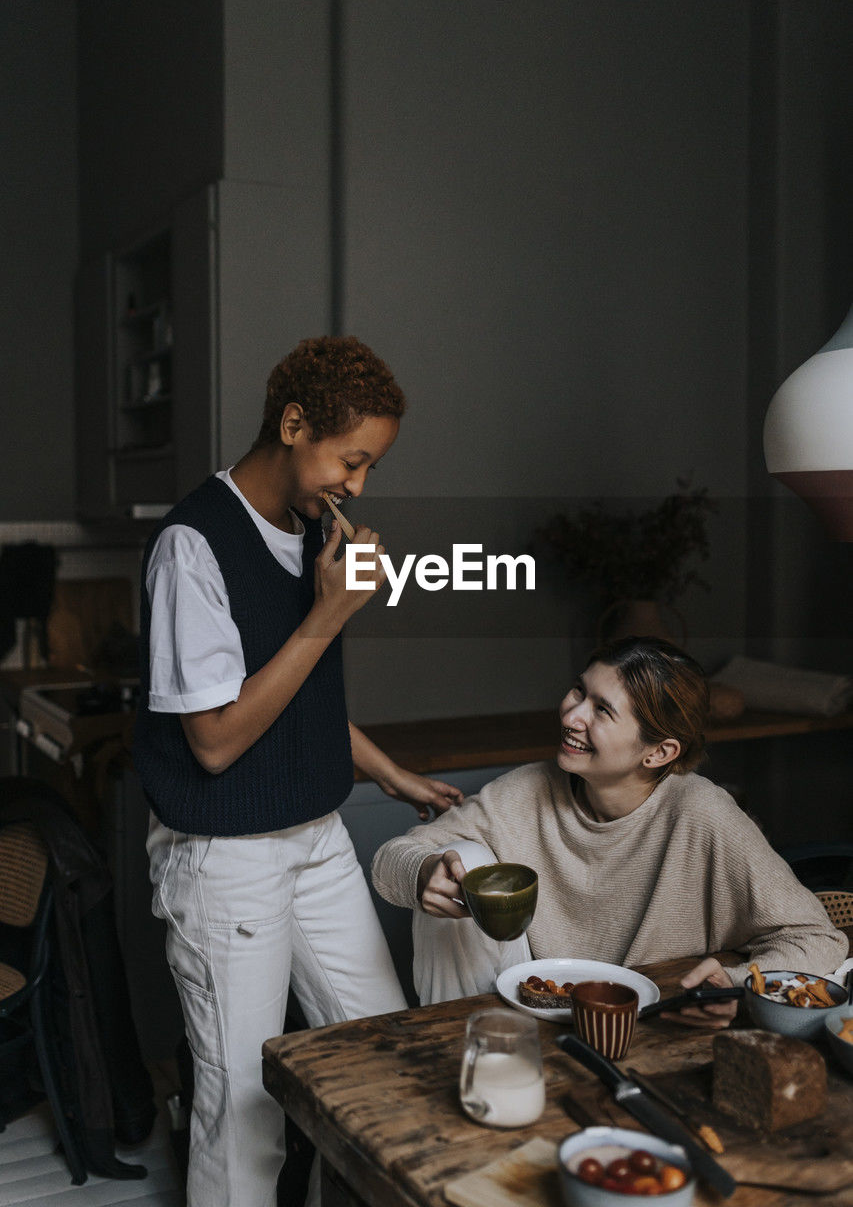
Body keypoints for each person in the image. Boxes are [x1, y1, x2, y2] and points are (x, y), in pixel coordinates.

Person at [133, 336, 462, 1207]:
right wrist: (329, 613)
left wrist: (391, 775)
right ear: (291, 424)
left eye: (369, 467)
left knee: (377, 1059)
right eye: (350, 460)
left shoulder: (312, 533)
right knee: (245, 1112)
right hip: (223, 854)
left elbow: (294, 697)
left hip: (313, 840)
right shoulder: (191, 548)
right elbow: (214, 738)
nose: (356, 486)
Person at [371, 636, 847, 1025]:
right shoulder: (527, 791)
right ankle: (458, 1043)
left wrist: (739, 983)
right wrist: (423, 872)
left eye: (602, 710)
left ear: (658, 753)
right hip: (527, 1011)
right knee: (463, 860)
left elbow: (818, 937)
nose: (572, 715)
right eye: (579, 692)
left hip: (654, 1018)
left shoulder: (703, 813)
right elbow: (395, 854)